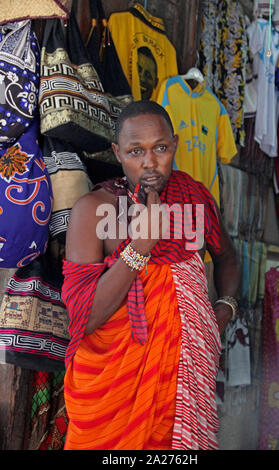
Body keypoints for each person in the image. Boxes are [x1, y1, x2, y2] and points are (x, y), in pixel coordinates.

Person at [61, 100, 240, 450]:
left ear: (174, 144)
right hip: (111, 391)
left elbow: (228, 258)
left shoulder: (196, 200)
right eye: (134, 151)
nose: (149, 162)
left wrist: (224, 309)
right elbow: (85, 317)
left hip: (183, 379)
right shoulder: (94, 209)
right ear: (117, 152)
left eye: (159, 148)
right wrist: (140, 245)